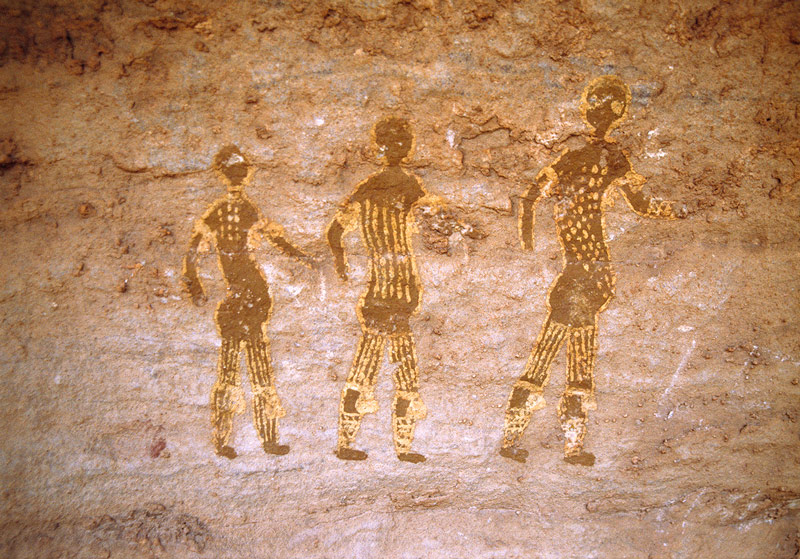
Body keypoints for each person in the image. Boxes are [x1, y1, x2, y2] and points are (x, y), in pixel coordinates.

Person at [500, 75, 687, 466]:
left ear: (588, 111)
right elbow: (640, 204)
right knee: (575, 360)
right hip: (593, 272)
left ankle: (520, 439)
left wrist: (529, 243)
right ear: (617, 113)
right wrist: (676, 210)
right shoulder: (612, 159)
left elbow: (530, 197)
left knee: (551, 355)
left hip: (576, 271)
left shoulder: (567, 160)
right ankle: (567, 446)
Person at [327, 116, 444, 463]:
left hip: (378, 287)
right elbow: (434, 219)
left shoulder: (364, 190)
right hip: (399, 288)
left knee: (368, 362)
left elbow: (335, 232)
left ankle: (348, 442)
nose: (400, 146)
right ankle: (401, 447)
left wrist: (341, 265)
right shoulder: (409, 185)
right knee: (402, 365)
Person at [182, 145, 311, 459]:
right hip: (250, 293)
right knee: (258, 367)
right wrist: (304, 257)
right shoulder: (247, 209)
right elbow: (276, 239)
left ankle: (224, 441)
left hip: (237, 296)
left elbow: (192, 254)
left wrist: (195, 284)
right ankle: (266, 439)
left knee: (230, 370)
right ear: (239, 174)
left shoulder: (215, 214)